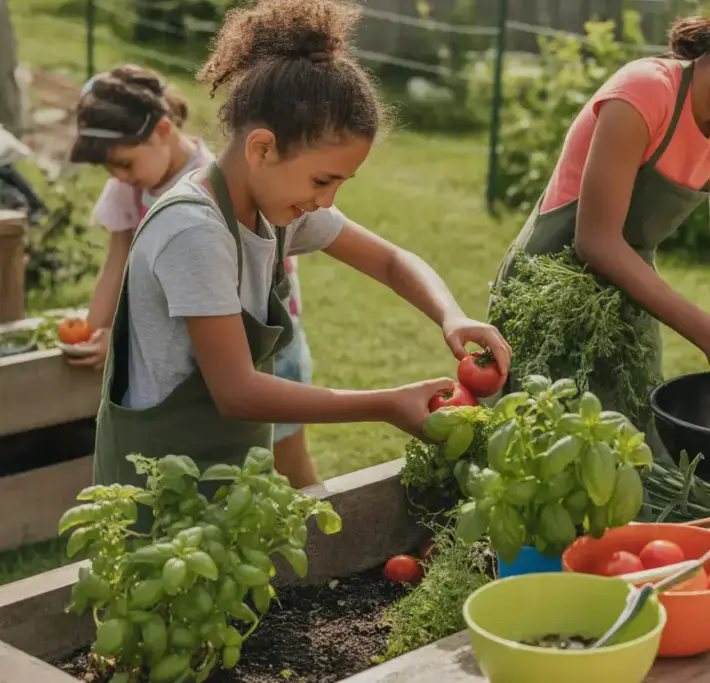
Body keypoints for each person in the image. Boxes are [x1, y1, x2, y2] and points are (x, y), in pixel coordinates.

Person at [90, 0, 511, 491]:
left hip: (222, 471)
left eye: (340, 184)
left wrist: (451, 316)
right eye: (321, 179)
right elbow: (237, 393)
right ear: (262, 149)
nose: (326, 200)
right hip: (153, 488)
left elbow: (393, 262)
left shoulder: (273, 209)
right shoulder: (195, 231)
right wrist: (385, 403)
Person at [489, 0, 710, 452]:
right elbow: (595, 240)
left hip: (628, 308)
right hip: (546, 296)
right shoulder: (643, 93)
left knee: (633, 466)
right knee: (540, 455)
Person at [68, 64, 323, 488]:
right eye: (111, 170)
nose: (121, 178)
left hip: (266, 339)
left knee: (288, 458)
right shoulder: (129, 188)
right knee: (230, 474)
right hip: (195, 352)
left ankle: (328, 541)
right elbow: (118, 261)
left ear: (163, 130)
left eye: (126, 164)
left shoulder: (218, 181)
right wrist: (95, 330)